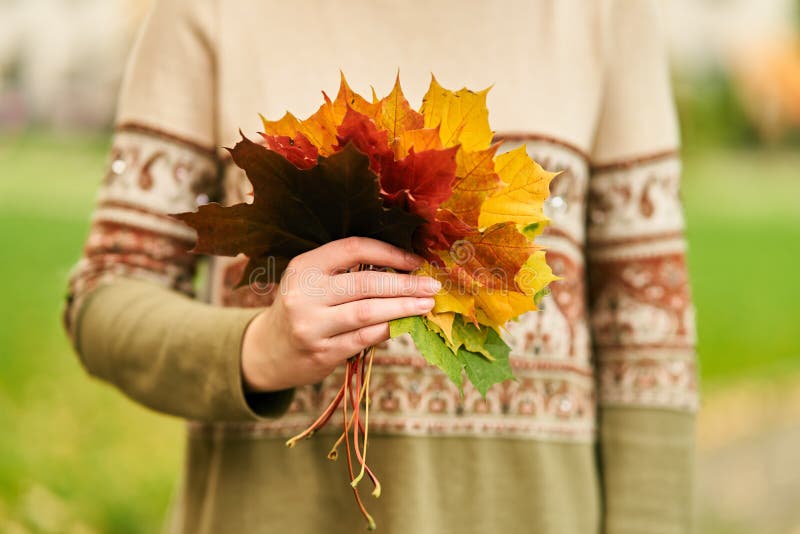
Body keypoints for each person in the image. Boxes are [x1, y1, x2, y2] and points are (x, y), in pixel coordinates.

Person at [63, 0, 698, 532]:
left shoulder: (605, 12)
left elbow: (648, 341)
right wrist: (258, 350)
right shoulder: (211, 10)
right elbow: (107, 291)